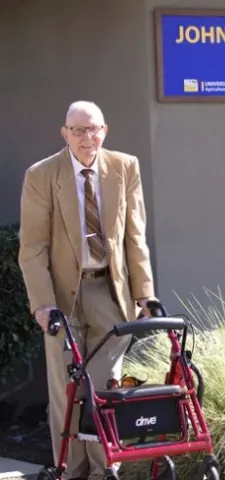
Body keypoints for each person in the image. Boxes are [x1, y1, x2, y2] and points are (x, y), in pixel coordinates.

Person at [18, 101, 159, 480]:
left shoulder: (124, 167)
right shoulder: (42, 175)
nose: (86, 137)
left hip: (110, 292)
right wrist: (43, 305)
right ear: (65, 134)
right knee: (67, 388)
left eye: (93, 129)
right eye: (78, 130)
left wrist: (144, 293)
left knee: (104, 386)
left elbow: (135, 235)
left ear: (105, 131)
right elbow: (33, 248)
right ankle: (71, 469)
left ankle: (103, 471)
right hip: (63, 297)